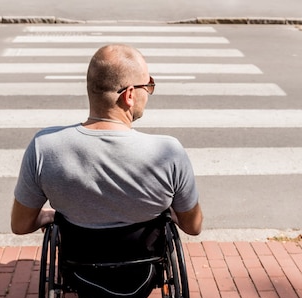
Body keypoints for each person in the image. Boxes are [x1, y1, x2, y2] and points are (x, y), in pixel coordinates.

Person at [10, 44, 202, 236]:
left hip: (79, 262)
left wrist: (48, 216)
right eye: (148, 85)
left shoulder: (44, 147)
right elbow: (193, 227)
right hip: (145, 264)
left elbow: (20, 225)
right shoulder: (169, 152)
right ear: (129, 95)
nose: (149, 92)